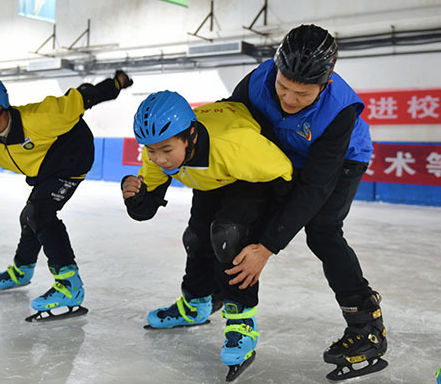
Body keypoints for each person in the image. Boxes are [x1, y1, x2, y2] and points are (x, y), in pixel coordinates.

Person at [226, 24, 387, 380]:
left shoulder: (341, 108)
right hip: (282, 156)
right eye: (283, 86)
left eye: (302, 94)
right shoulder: (257, 80)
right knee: (234, 216)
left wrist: (267, 248)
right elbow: (229, 128)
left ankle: (366, 326)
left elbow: (315, 187)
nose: (289, 99)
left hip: (343, 160)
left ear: (325, 84)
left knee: (323, 230)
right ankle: (217, 298)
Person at [121, 90, 293, 381]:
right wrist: (133, 197)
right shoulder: (157, 150)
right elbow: (145, 210)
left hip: (250, 178)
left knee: (228, 237)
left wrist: (265, 242)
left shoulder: (236, 146)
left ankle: (242, 322)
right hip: (211, 179)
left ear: (191, 136)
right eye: (151, 150)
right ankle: (195, 304)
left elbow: (285, 178)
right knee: (196, 238)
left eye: (166, 150)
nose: (159, 159)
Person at [0, 71, 132, 321]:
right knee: (29, 216)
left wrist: (116, 83)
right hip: (43, 170)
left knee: (40, 212)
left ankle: (69, 285)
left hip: (72, 159)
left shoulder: (43, 117)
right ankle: (22, 269)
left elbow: (84, 97)